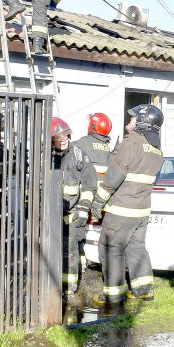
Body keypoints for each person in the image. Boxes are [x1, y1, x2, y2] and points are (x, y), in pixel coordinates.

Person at [90, 104, 164, 305]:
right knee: (137, 247)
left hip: (120, 211)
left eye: (132, 119)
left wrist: (97, 203)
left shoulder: (129, 144)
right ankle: (144, 290)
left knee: (111, 248)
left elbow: (113, 178)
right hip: (141, 212)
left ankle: (113, 294)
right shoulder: (157, 150)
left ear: (141, 123)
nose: (128, 122)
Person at [50, 117, 96, 298]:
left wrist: (84, 208)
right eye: (58, 136)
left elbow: (89, 184)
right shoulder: (45, 156)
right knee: (51, 250)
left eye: (65, 135)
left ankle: (68, 288)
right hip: (51, 214)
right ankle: (51, 285)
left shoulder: (78, 155)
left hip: (73, 213)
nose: (63, 139)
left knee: (69, 251)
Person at [72, 112, 114, 270]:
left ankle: (78, 263)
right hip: (102, 198)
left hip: (84, 196)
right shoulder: (107, 147)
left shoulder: (82, 143)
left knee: (77, 232)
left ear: (93, 126)